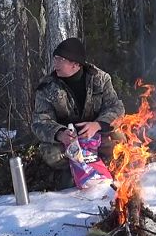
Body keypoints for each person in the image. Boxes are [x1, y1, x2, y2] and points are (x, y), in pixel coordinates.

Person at [32, 37, 125, 172]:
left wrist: (98, 125)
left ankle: (108, 170)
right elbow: (40, 121)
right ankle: (73, 175)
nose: (55, 64)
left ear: (75, 64)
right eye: (55, 58)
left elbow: (116, 107)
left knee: (119, 139)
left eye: (60, 60)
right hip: (68, 142)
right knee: (51, 154)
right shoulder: (47, 87)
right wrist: (60, 134)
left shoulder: (100, 79)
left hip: (96, 135)